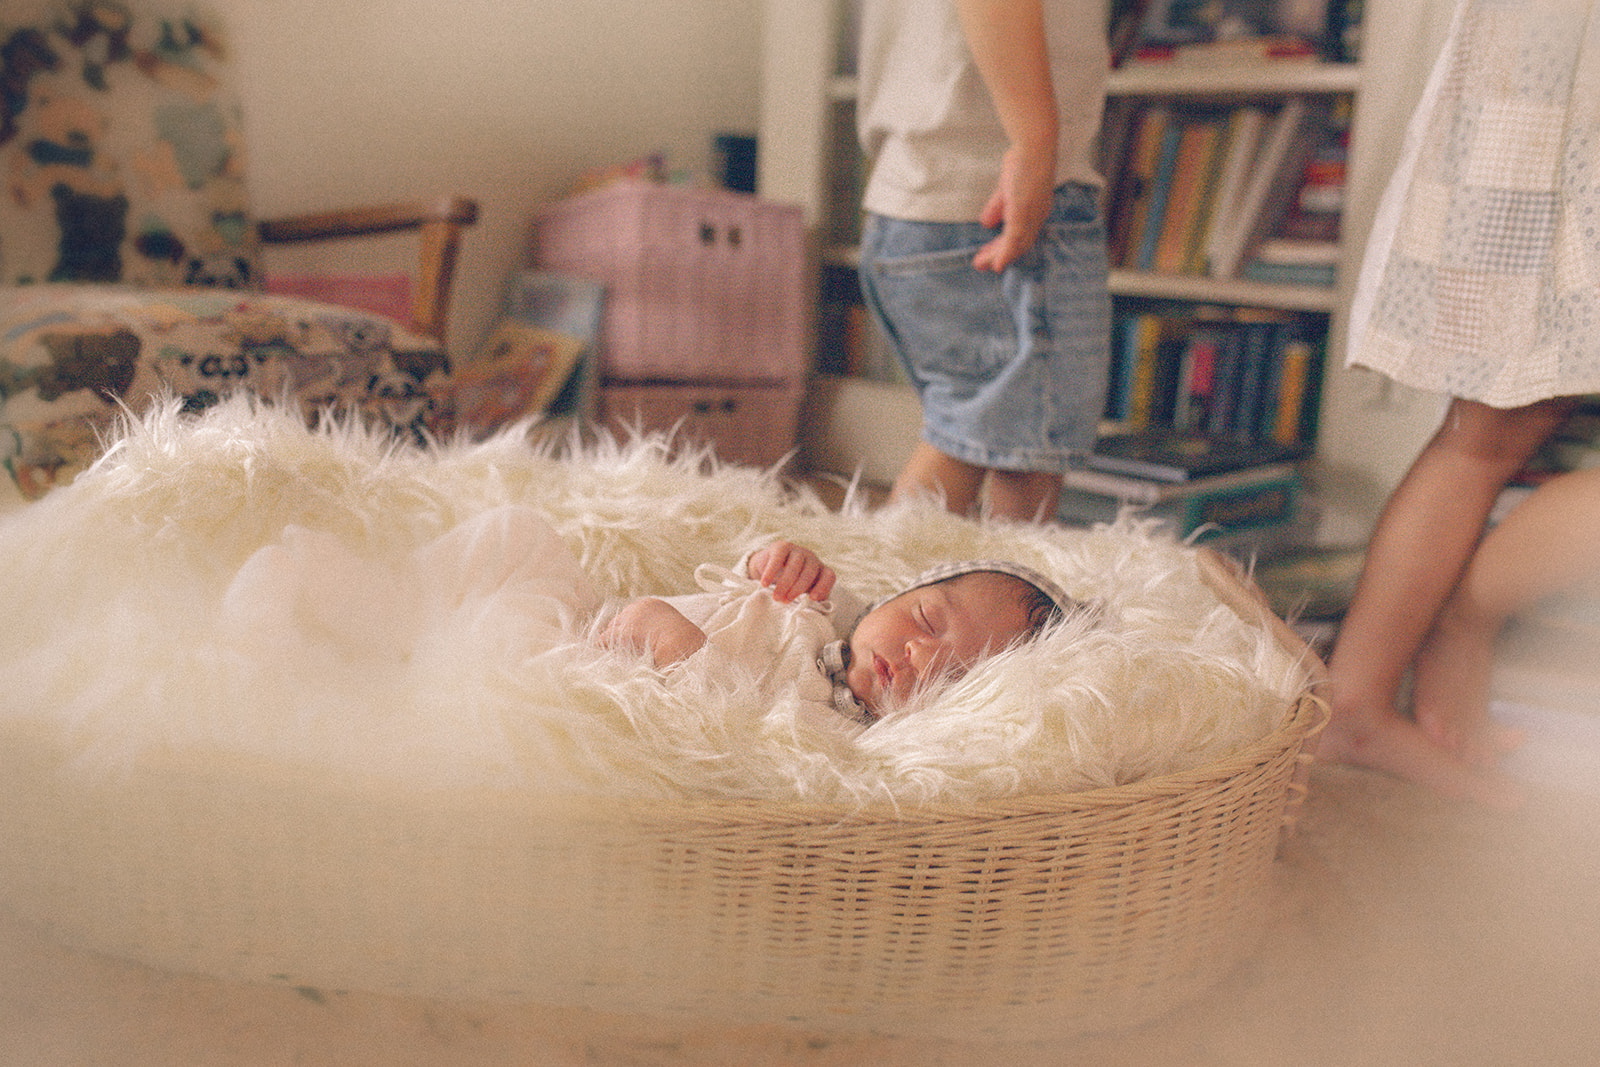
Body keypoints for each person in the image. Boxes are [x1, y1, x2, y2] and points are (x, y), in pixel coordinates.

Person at [1321, 0, 1600, 805]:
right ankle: (1366, 696)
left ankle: (1423, 650)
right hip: (1556, 67)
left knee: (1497, 422)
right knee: (1494, 416)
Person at [854, 0, 1111, 521]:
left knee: (977, 432)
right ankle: (904, 594)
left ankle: (906, 592)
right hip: (999, 193)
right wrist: (1035, 143)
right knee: (1008, 450)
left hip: (927, 188)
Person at [601, 539, 1074, 725]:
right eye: (927, 620)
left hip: (617, 674)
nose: (921, 654)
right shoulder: (842, 614)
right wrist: (772, 563)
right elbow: (749, 583)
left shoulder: (838, 729)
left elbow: (738, 732)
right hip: (600, 618)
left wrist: (678, 648)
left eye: (957, 676)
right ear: (893, 597)